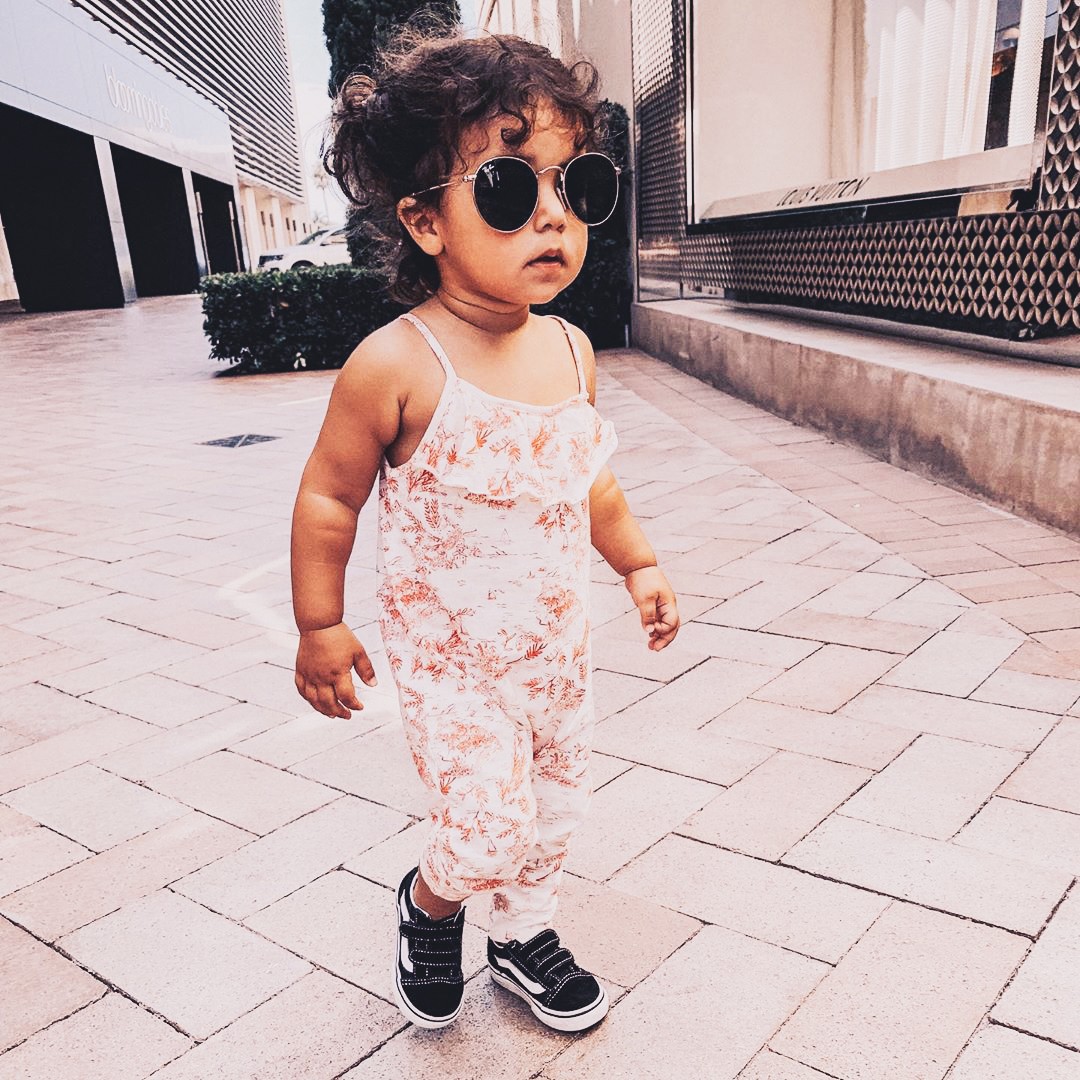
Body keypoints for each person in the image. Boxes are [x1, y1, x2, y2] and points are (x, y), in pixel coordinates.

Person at [290, 27, 679, 1035]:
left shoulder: (573, 351)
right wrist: (320, 624)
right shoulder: (398, 363)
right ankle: (431, 904)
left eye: (577, 186)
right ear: (426, 221)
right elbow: (328, 498)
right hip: (452, 662)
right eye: (509, 189)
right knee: (484, 823)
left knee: (554, 810)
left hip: (554, 654)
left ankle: (520, 933)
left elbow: (586, 481)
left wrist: (636, 564)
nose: (553, 215)